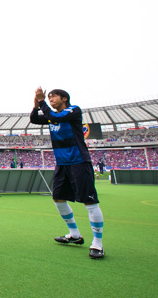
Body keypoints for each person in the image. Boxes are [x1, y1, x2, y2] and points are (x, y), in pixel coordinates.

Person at [30, 87, 105, 259]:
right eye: (48, 97)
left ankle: (98, 243)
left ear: (64, 98)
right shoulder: (51, 117)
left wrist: (42, 102)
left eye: (53, 96)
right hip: (62, 164)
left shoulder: (73, 110)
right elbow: (35, 119)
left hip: (79, 161)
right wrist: (36, 105)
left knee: (89, 201)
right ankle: (75, 235)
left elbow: (55, 116)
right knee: (58, 197)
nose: (50, 99)